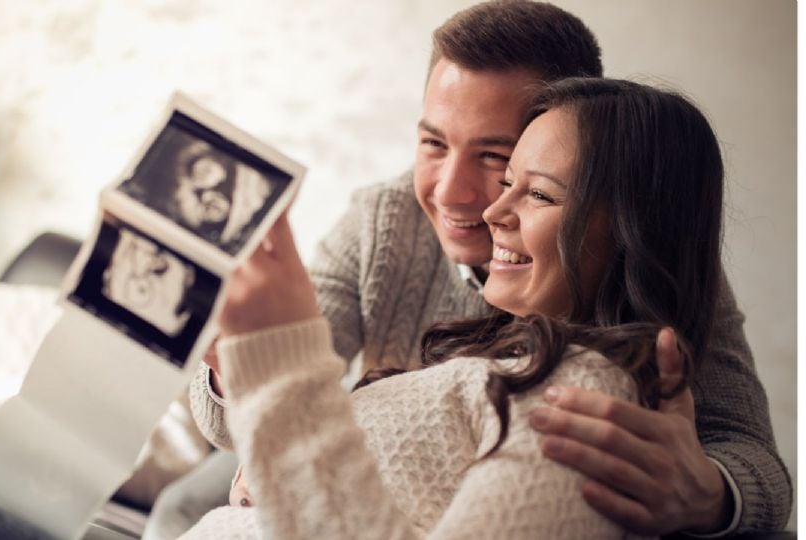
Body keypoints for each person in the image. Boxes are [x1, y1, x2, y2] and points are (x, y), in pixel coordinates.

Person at [185, 1, 791, 536]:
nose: (452, 193)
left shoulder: (639, 296)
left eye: (496, 158)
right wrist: (230, 363)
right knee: (182, 503)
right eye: (433, 144)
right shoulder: (383, 221)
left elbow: (751, 458)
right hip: (314, 473)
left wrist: (708, 492)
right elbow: (248, 405)